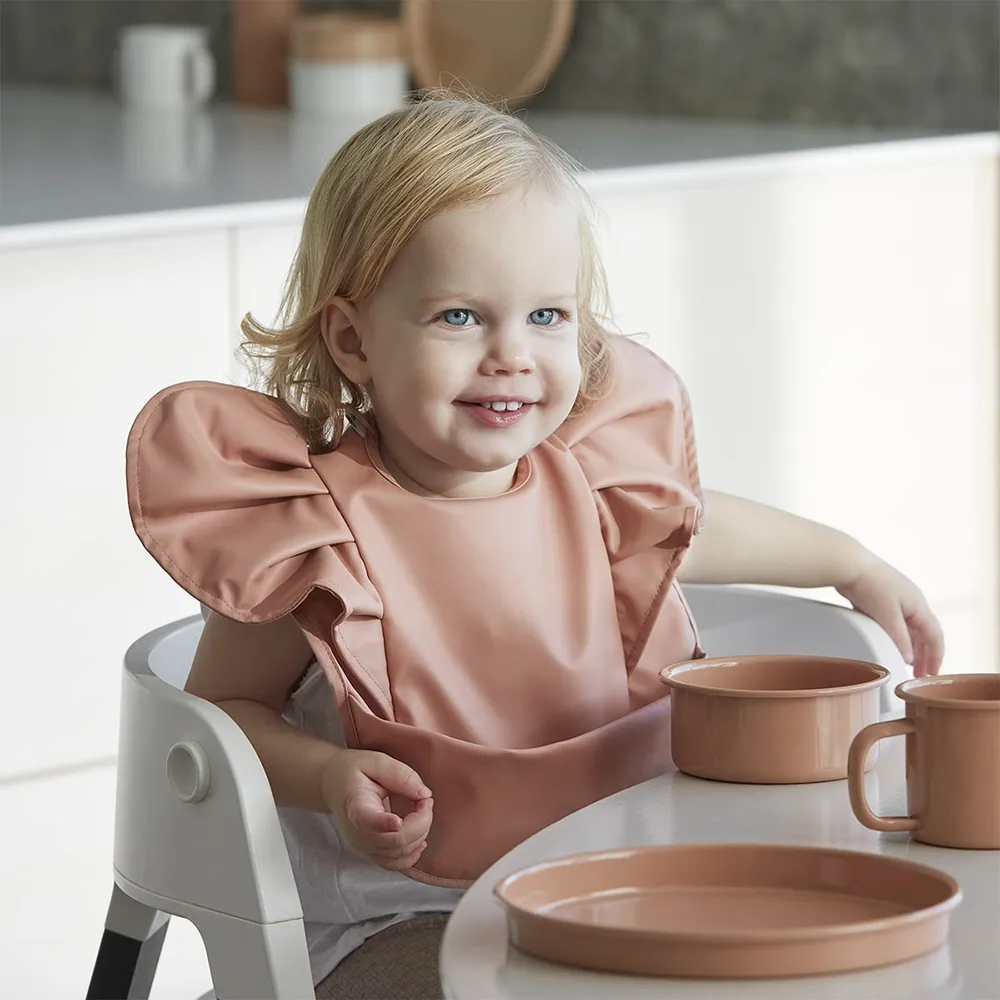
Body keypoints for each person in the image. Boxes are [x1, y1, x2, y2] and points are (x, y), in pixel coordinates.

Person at [125, 94, 943, 999]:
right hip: (400, 921)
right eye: (460, 317)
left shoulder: (593, 491)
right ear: (354, 340)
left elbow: (704, 522)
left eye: (547, 316)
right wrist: (327, 776)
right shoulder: (317, 534)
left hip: (620, 889)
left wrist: (855, 565)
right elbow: (216, 718)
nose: (511, 354)